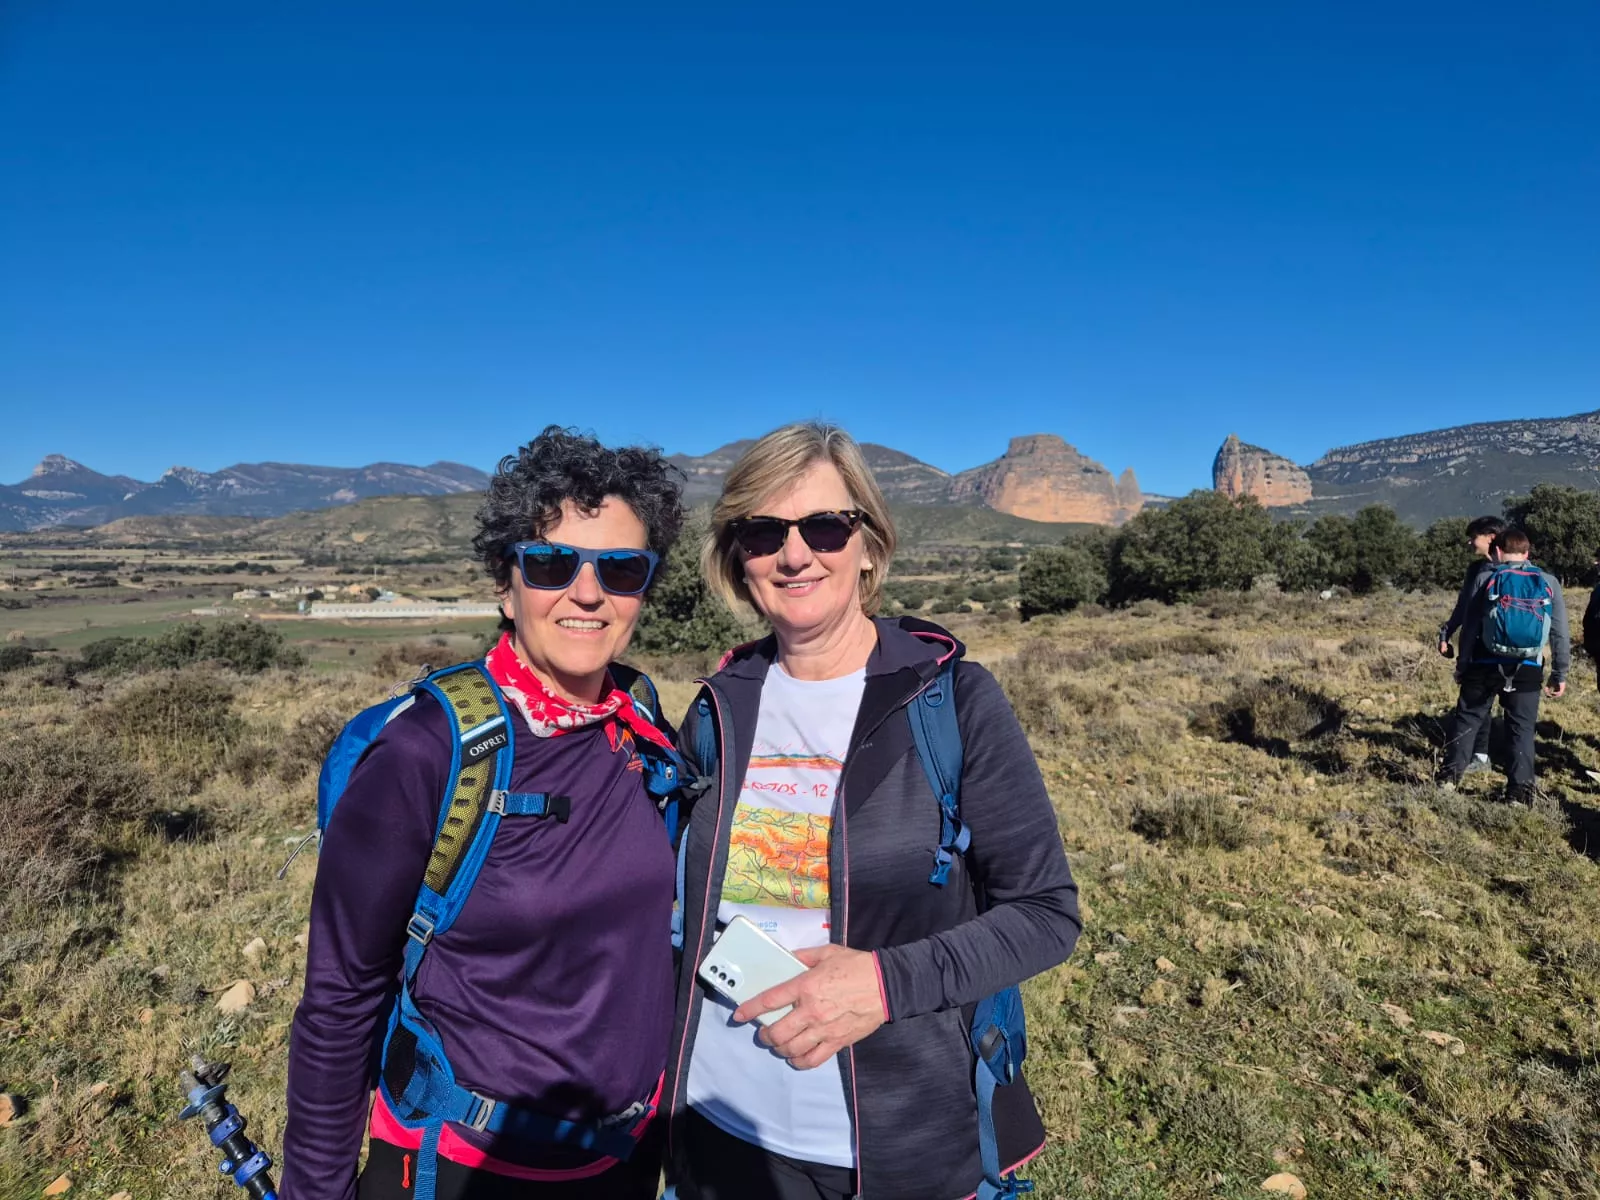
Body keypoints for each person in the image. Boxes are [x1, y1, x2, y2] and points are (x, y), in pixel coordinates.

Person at [663, 422, 1082, 1200]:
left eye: (824, 526)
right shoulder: (721, 706)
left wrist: (885, 984)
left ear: (866, 544)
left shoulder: (951, 699)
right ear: (737, 558)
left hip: (899, 1145)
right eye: (763, 532)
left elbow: (1046, 911)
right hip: (718, 1129)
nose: (795, 555)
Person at [282, 427, 685, 1200]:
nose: (588, 591)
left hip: (622, 1164)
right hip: (458, 1171)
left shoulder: (643, 731)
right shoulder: (431, 752)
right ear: (507, 585)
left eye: (622, 568)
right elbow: (339, 1002)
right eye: (551, 563)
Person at [1439, 527, 1570, 803]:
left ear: (1497, 551)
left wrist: (1463, 664)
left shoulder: (1485, 578)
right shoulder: (1548, 581)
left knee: (1468, 720)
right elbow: (1559, 633)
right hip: (1527, 668)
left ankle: (1448, 780)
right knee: (1521, 729)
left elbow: (1471, 626)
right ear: (1527, 553)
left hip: (1484, 664)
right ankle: (1519, 794)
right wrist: (1560, 672)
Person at [1437, 515, 1508, 772]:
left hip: (1493, 650)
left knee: (1484, 704)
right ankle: (1481, 755)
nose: (1469, 543)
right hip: (1487, 648)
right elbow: (1463, 608)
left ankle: (1502, 761)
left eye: (1473, 537)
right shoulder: (1475, 570)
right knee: (1480, 704)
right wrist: (1447, 632)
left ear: (1490, 537)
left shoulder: (1512, 570)